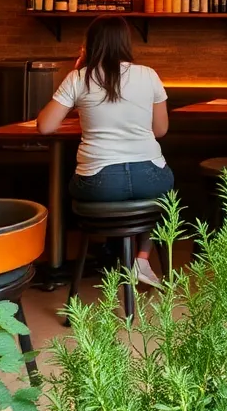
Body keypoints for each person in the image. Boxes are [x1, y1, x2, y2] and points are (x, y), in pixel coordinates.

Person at [37, 15, 172, 286]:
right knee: (155, 198)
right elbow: (160, 130)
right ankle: (141, 258)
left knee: (99, 190)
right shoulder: (148, 74)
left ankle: (111, 254)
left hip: (100, 183)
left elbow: (45, 126)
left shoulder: (79, 77)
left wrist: (79, 71)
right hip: (151, 175)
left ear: (90, 44)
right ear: (125, 42)